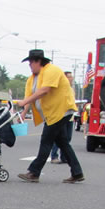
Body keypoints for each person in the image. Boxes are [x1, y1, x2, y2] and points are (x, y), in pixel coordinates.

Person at [16, 49, 84, 183]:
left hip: (60, 111)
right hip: (51, 114)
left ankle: (34, 172)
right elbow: (29, 96)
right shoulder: (31, 79)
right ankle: (77, 172)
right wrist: (23, 112)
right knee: (63, 143)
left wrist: (24, 102)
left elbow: (45, 90)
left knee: (46, 140)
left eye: (31, 63)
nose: (29, 66)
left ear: (38, 61)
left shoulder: (51, 70)